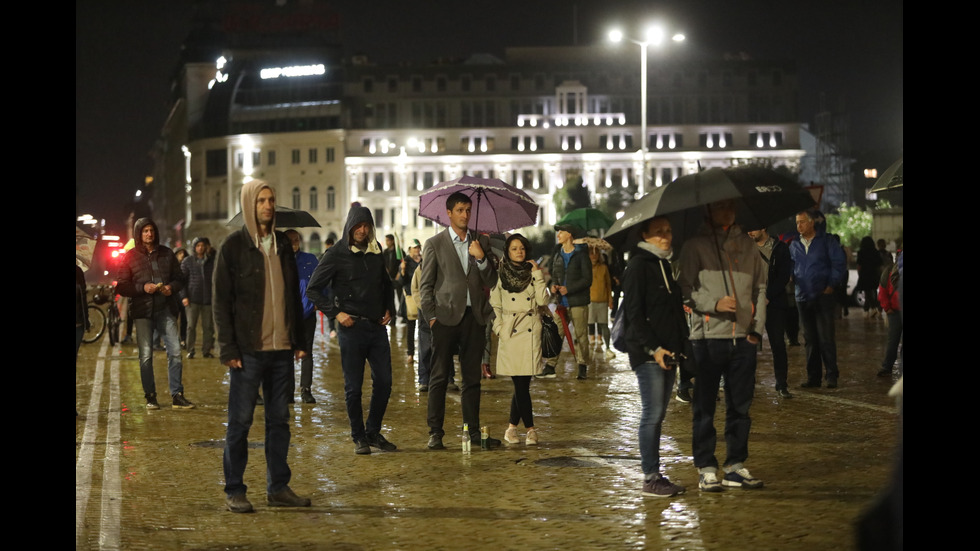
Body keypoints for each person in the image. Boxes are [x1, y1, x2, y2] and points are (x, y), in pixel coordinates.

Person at [213, 179, 311, 513]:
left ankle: (278, 487)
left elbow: (293, 298)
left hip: (282, 350)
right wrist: (228, 349)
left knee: (279, 422)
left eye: (271, 200)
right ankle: (235, 489)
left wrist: (298, 340)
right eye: (261, 201)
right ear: (249, 205)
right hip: (249, 351)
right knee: (240, 423)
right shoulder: (234, 247)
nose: (268, 206)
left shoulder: (283, 244)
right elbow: (221, 302)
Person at [678, 199, 767, 492]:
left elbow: (760, 288)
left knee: (740, 407)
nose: (727, 211)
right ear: (708, 211)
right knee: (704, 407)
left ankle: (735, 465)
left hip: (743, 339)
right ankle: (706, 467)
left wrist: (756, 330)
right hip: (707, 339)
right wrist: (713, 303)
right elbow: (685, 289)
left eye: (731, 206)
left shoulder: (749, 246)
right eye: (719, 207)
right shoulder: (695, 246)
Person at [307, 207, 397, 455]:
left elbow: (385, 284)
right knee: (354, 387)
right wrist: (336, 313)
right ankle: (358, 436)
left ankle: (373, 431)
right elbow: (313, 289)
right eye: (358, 226)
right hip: (351, 329)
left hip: (376, 327)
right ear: (350, 227)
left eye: (367, 226)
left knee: (385, 382)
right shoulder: (336, 254)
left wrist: (389, 309)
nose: (363, 231)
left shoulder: (376, 250)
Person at [418, 191, 500, 450]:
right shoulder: (435, 244)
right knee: (439, 377)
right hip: (444, 318)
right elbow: (426, 285)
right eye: (460, 210)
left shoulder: (480, 243)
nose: (465, 215)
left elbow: (491, 281)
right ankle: (435, 432)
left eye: (468, 210)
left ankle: (472, 431)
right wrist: (431, 317)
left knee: (472, 379)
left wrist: (482, 258)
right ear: (449, 213)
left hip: (474, 318)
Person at [624, 216, 688, 497]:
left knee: (659, 414)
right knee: (651, 414)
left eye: (669, 230)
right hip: (650, 353)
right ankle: (650, 477)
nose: (666, 236)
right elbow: (634, 314)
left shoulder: (664, 263)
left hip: (669, 351)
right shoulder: (638, 265)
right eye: (658, 232)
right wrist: (654, 348)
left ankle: (656, 474)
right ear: (645, 234)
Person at [116, 217, 195, 410]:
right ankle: (150, 396)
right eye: (145, 231)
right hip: (143, 311)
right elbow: (122, 286)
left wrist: (170, 288)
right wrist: (143, 287)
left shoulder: (167, 254)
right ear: (139, 234)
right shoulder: (130, 256)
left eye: (151, 230)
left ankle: (177, 394)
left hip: (165, 308)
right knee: (146, 355)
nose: (149, 234)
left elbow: (180, 279)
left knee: (175, 351)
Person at [491, 233, 549, 446]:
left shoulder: (533, 273)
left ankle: (512, 429)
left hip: (530, 331)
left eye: (522, 248)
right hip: (511, 332)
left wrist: (538, 275)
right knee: (521, 384)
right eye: (514, 248)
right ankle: (531, 429)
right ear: (507, 251)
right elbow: (494, 304)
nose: (519, 252)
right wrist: (499, 329)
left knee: (523, 384)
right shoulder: (500, 274)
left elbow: (543, 300)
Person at [790, 209, 847, 389]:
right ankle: (813, 377)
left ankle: (831, 375)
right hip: (803, 297)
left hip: (823, 295)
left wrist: (831, 284)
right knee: (810, 339)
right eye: (797, 222)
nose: (799, 226)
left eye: (802, 222)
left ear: (812, 222)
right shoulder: (794, 245)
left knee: (826, 338)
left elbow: (839, 264)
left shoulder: (826, 241)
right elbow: (791, 266)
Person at [541, 224, 592, 380]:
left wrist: (569, 288)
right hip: (560, 303)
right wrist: (553, 286)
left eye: (561, 232)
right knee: (556, 333)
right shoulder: (557, 254)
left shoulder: (581, 255)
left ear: (570, 234)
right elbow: (553, 275)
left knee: (581, 335)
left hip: (577, 302)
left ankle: (582, 366)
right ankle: (550, 366)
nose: (558, 235)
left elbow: (587, 279)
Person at [747, 227, 794, 398]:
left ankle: (781, 383)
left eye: (753, 229)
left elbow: (784, 276)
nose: (750, 233)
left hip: (774, 303)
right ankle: (748, 383)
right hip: (750, 303)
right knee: (748, 344)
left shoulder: (780, 248)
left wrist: (768, 296)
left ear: (763, 227)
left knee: (778, 344)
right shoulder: (745, 248)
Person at [284, 229, 318, 404]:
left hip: (307, 314)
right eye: (290, 240)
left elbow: (321, 280)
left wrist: (317, 302)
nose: (294, 242)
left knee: (307, 353)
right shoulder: (279, 260)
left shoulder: (310, 260)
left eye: (296, 239)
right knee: (287, 354)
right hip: (287, 316)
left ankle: (305, 389)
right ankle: (288, 391)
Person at [180, 237, 215, 359]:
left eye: (203, 245)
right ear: (194, 247)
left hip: (208, 299)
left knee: (208, 327)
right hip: (192, 299)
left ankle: (206, 350)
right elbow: (181, 281)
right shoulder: (187, 261)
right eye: (198, 245)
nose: (200, 248)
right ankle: (190, 350)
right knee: (191, 326)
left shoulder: (211, 261)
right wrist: (184, 296)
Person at [588, 247, 616, 360]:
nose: (594, 256)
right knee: (590, 323)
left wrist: (610, 299)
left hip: (602, 301)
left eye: (596, 253)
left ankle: (608, 347)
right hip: (590, 301)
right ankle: (591, 343)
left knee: (604, 324)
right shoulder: (586, 268)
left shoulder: (604, 268)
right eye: (591, 253)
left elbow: (608, 285)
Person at [877, 256, 902, 377]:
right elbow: (882, 290)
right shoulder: (889, 271)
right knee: (893, 340)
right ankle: (887, 366)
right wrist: (887, 308)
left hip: (894, 310)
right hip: (894, 311)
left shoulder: (890, 270)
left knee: (893, 340)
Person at [400, 240, 423, 363]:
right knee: (411, 327)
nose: (416, 250)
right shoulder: (406, 262)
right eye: (414, 248)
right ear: (410, 249)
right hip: (410, 297)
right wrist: (402, 271)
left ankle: (423, 352)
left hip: (423, 296)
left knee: (423, 327)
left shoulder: (424, 261)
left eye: (418, 248)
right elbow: (401, 282)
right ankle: (410, 353)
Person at [856, 236, 883, 318]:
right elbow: (879, 265)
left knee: (867, 291)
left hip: (864, 274)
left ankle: (872, 308)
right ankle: (874, 308)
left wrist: (859, 274)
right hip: (874, 274)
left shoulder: (861, 252)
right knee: (874, 291)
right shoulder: (875, 252)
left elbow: (859, 265)